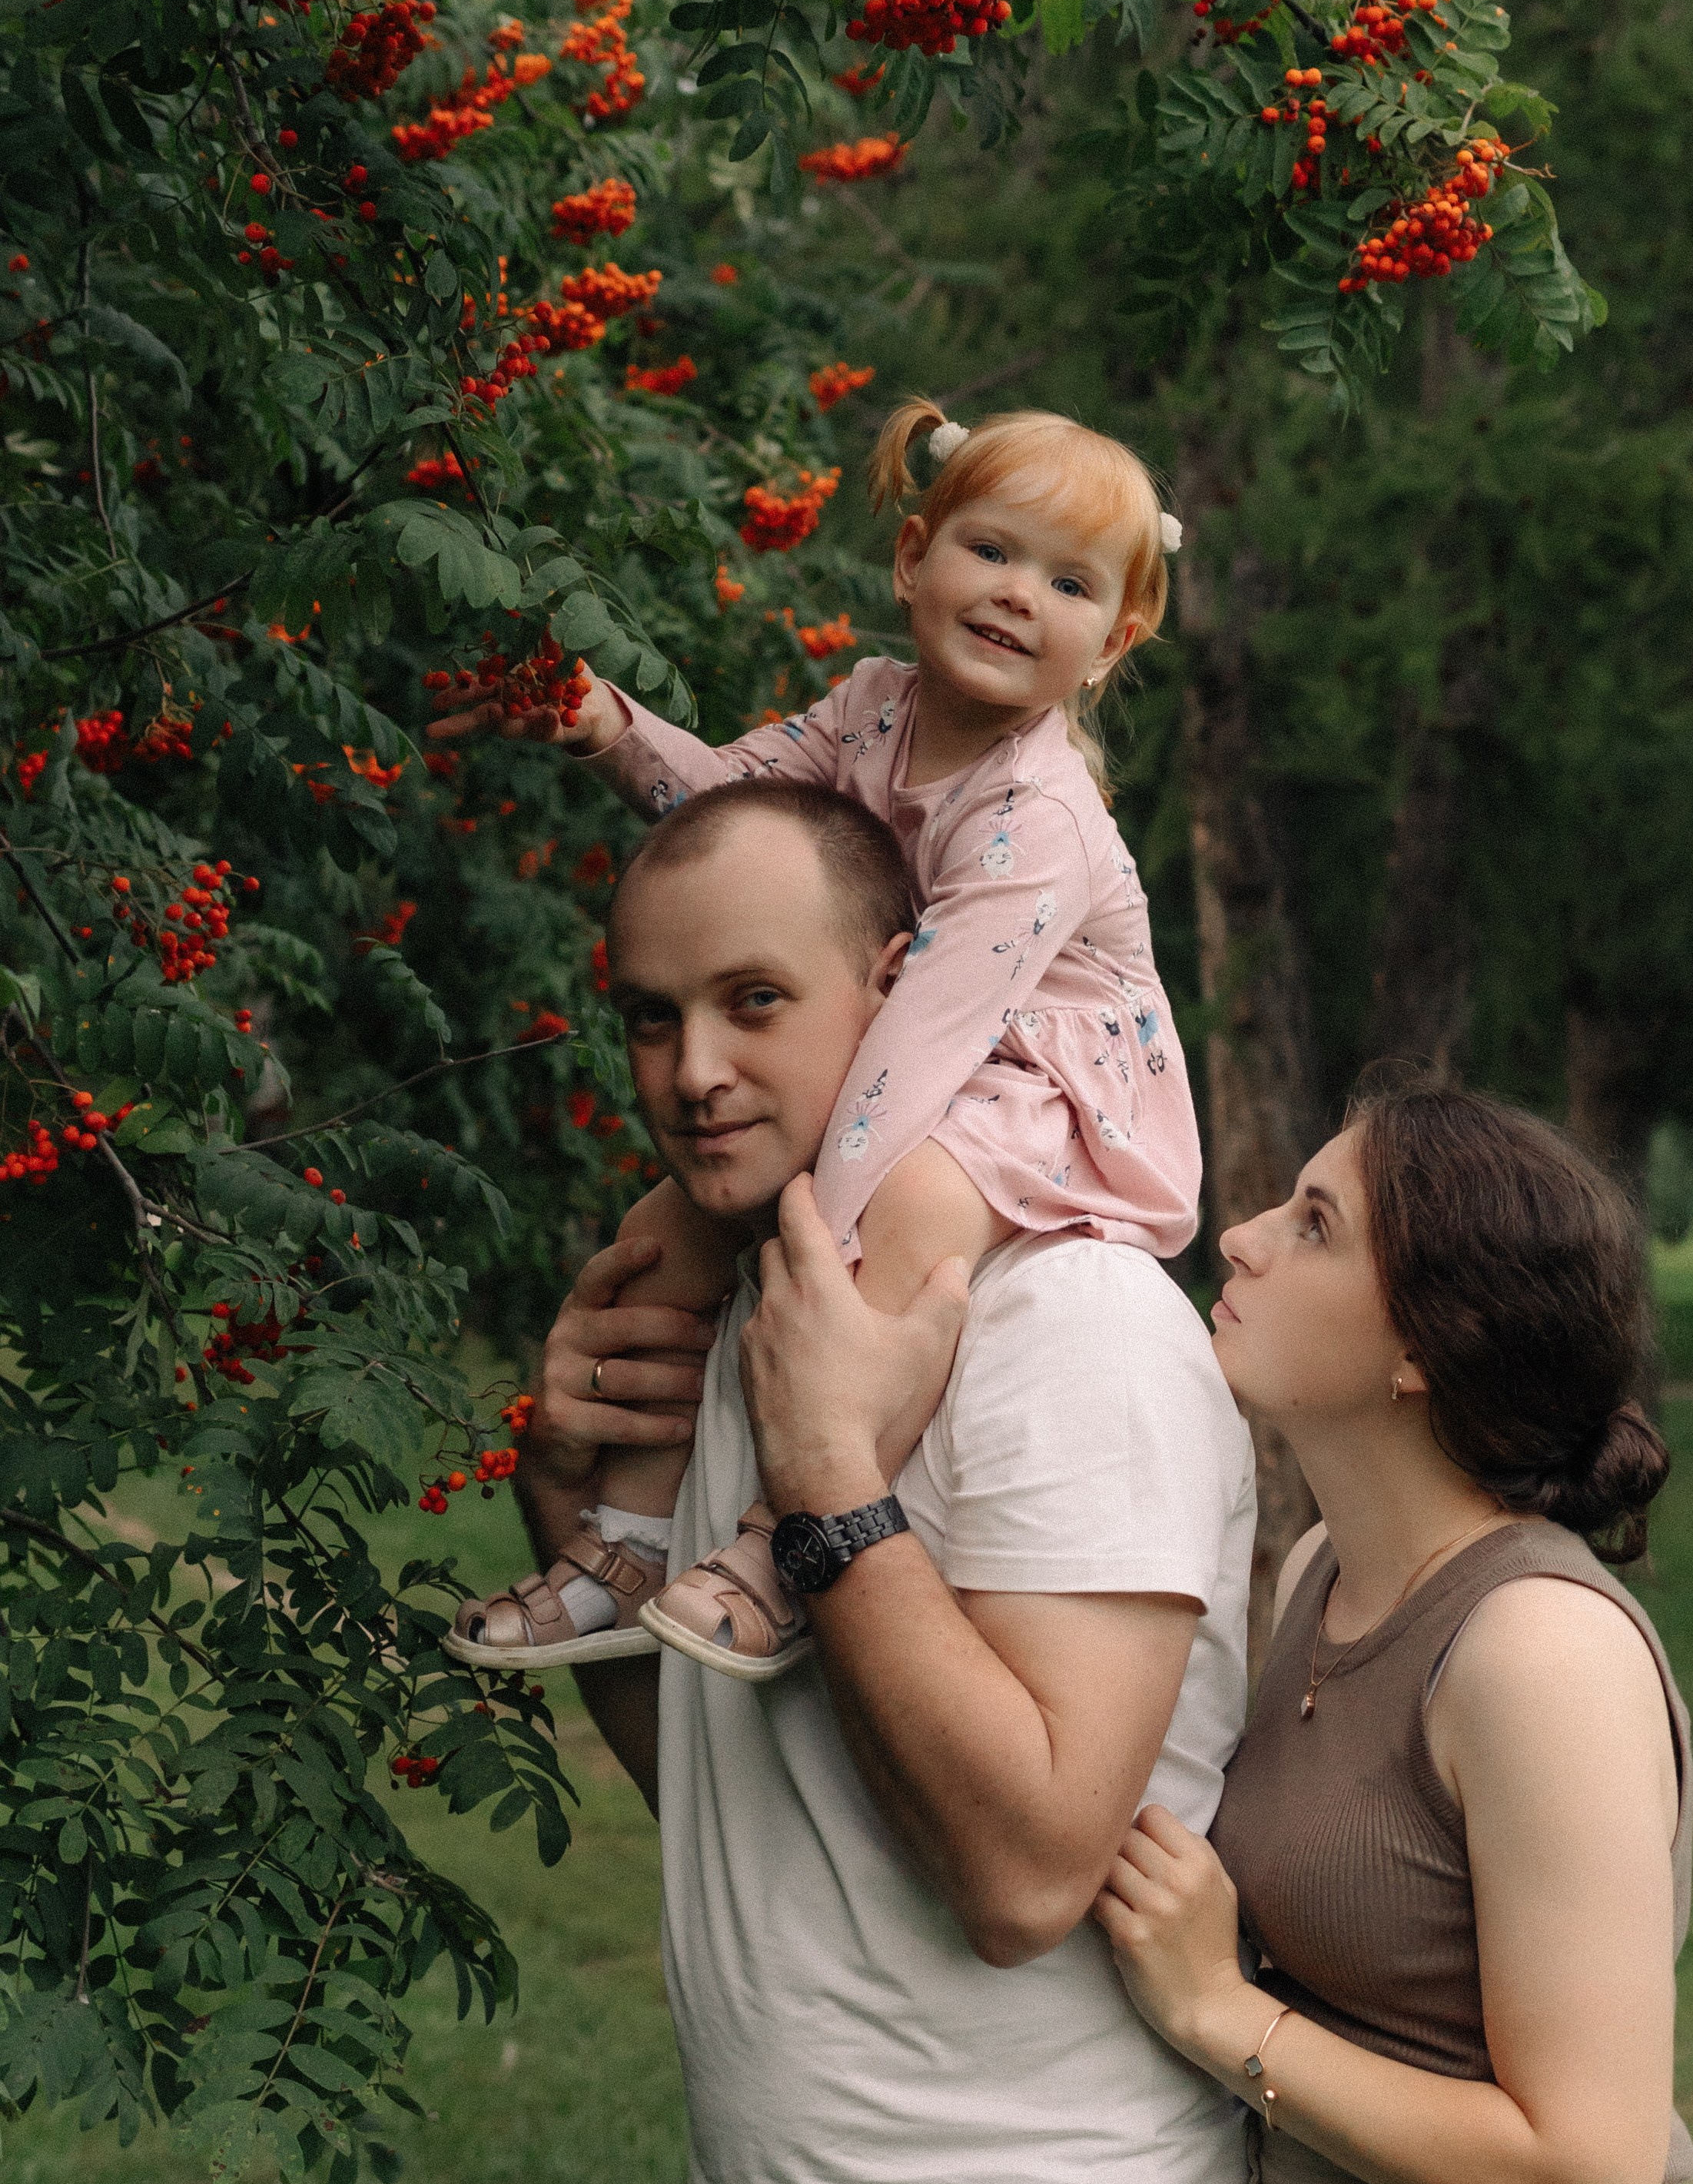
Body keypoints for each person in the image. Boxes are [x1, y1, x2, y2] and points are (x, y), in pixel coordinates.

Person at [510, 778, 1257, 2184]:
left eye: (754, 1003)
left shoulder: (1076, 1324)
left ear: (909, 985)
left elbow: (1026, 1881)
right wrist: (573, 1509)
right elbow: (721, 1791)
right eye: (652, 1019)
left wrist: (831, 1483)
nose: (695, 1074)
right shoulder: (757, 1313)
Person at [442, 400, 1202, 1681]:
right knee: (660, 1236)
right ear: (914, 558)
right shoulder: (870, 707)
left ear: (1111, 641)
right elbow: (738, 806)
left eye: (1067, 581)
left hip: (1037, 1090)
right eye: (992, 551)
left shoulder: (1041, 818)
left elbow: (936, 1037)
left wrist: (807, 1213)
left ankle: (788, 1541)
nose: (1018, 595)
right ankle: (622, 1550)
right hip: (898, 1047)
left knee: (890, 1218)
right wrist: (610, 726)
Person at [1089, 1078, 1693, 2184]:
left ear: (1425, 1350)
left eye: (1316, 1225)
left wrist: (1224, 2012)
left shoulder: (1536, 1655)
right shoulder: (1319, 1572)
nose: (1241, 1237)